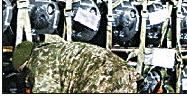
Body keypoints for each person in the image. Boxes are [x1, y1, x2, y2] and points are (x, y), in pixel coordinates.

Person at [11, 37, 141, 93]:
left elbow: (47, 91)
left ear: (25, 61)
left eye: (23, 70)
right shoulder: (54, 48)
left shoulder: (40, 59)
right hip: (125, 74)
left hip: (102, 79)